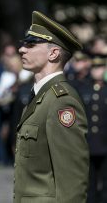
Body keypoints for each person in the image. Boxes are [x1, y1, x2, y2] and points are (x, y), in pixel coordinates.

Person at [13, 11, 89, 203]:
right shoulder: (40, 95)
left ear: (53, 54)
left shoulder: (61, 101)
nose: (22, 50)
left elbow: (72, 177)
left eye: (30, 45)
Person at [77, 55, 107, 203]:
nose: (97, 71)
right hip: (87, 144)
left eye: (100, 67)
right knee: (90, 185)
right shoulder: (83, 89)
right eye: (94, 68)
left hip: (105, 143)